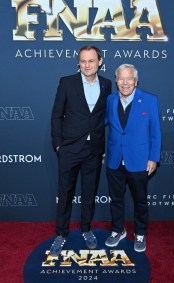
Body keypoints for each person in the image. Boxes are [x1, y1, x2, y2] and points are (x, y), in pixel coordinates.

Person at [50, 45, 111, 256]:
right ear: (79, 62)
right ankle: (61, 234)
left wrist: (95, 132)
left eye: (91, 61)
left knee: (89, 193)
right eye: (83, 61)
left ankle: (86, 229)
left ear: (100, 62)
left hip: (93, 149)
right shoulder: (67, 82)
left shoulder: (106, 84)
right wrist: (58, 144)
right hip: (69, 148)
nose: (87, 65)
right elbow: (57, 114)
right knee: (65, 193)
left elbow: (103, 114)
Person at [105, 64, 161, 252]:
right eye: (121, 78)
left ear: (136, 81)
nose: (125, 83)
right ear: (116, 80)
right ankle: (118, 230)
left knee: (140, 201)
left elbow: (155, 132)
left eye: (129, 79)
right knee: (116, 199)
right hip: (114, 159)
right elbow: (99, 123)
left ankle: (140, 234)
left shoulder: (149, 100)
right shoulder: (110, 100)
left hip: (139, 160)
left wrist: (153, 158)